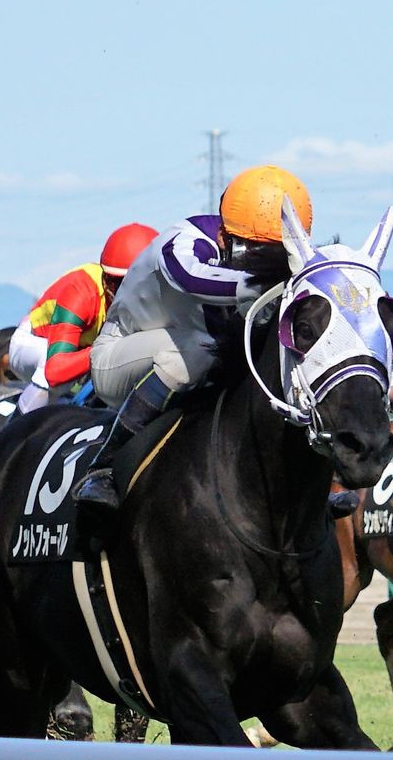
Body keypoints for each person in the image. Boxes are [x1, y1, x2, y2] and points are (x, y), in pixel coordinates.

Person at [71, 166, 310, 513]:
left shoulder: (236, 247)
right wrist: (264, 283)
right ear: (226, 236)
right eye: (259, 252)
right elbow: (189, 278)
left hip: (196, 361)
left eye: (278, 255)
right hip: (119, 359)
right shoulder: (183, 242)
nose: (268, 264)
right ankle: (103, 466)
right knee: (196, 350)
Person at [12, 222, 160, 409]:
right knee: (53, 374)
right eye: (123, 283)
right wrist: (108, 348)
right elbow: (55, 371)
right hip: (36, 345)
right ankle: (17, 425)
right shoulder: (81, 291)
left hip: (83, 352)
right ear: (107, 280)